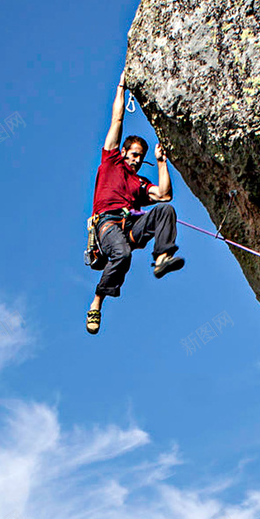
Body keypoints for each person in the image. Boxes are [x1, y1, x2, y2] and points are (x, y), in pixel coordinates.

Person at [85, 69, 184, 334]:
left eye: (141, 157)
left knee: (165, 210)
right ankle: (97, 301)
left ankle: (162, 256)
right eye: (134, 154)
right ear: (124, 152)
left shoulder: (139, 184)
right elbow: (117, 118)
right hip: (106, 224)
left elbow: (164, 194)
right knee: (123, 254)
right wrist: (121, 86)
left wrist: (162, 162)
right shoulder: (111, 160)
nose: (137, 160)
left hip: (130, 226)